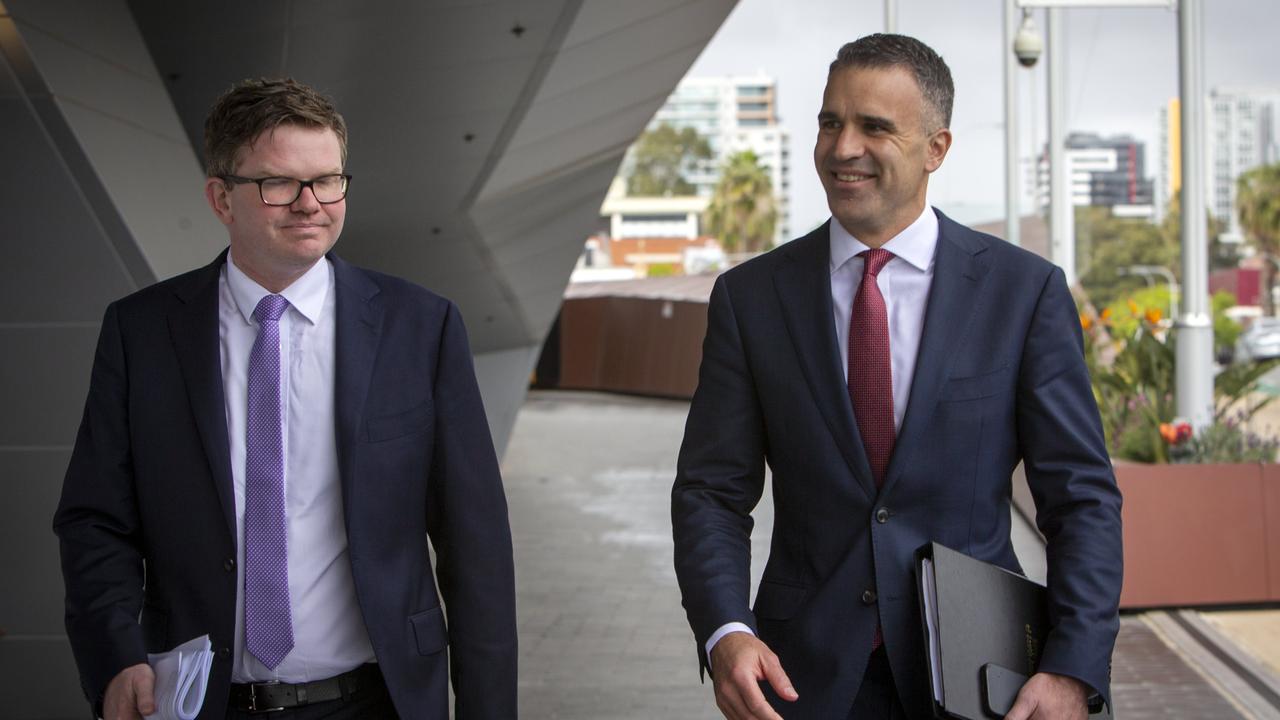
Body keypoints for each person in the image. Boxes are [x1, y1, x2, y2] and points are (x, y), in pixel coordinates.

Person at [671, 34, 1122, 720]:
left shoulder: (1022, 294)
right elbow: (711, 491)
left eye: (874, 126)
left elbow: (1081, 498)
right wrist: (725, 632)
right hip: (801, 679)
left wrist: (1071, 665)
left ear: (936, 148)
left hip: (982, 678)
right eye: (830, 121)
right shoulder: (750, 298)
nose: (843, 146)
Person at [53, 78, 517, 720]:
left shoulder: (421, 326)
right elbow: (96, 519)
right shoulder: (143, 331)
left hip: (378, 702)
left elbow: (476, 542)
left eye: (328, 180)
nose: (310, 204)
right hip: (197, 705)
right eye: (278, 184)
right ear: (221, 198)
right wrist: (116, 656)